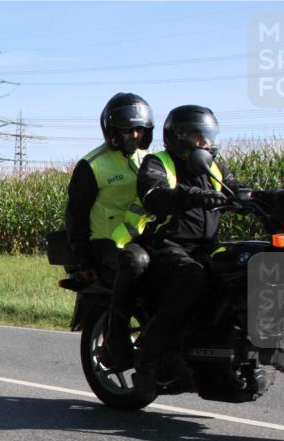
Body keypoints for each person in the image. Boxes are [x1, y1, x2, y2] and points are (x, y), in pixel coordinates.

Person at [111, 105, 243, 394]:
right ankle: (149, 355)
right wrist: (194, 196)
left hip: (207, 247)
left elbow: (235, 187)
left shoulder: (213, 167)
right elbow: (153, 194)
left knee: (241, 269)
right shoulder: (157, 163)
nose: (207, 144)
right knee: (192, 277)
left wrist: (266, 198)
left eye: (209, 137)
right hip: (168, 246)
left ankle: (225, 353)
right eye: (200, 137)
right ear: (181, 138)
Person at [65, 92, 154, 288]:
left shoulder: (148, 160)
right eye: (128, 130)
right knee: (140, 274)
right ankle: (118, 319)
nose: (135, 135)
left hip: (143, 238)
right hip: (106, 244)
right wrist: (84, 260)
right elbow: (75, 216)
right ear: (113, 131)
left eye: (139, 129)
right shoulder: (92, 165)